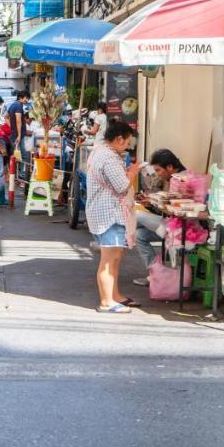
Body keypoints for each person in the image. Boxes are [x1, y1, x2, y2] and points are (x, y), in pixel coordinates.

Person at [85, 120, 143, 313]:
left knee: (116, 257)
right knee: (109, 259)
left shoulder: (100, 152)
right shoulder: (109, 157)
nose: (127, 147)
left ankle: (115, 295)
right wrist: (133, 173)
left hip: (107, 213)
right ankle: (106, 301)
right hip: (109, 215)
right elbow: (121, 186)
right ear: (119, 139)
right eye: (127, 142)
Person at [131, 148, 186, 286]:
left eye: (159, 170)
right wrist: (151, 203)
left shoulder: (182, 180)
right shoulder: (174, 178)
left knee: (135, 215)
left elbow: (175, 210)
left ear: (170, 167)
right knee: (139, 235)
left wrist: (153, 202)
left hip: (181, 227)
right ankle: (155, 274)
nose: (158, 174)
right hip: (170, 223)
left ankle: (119, 239)